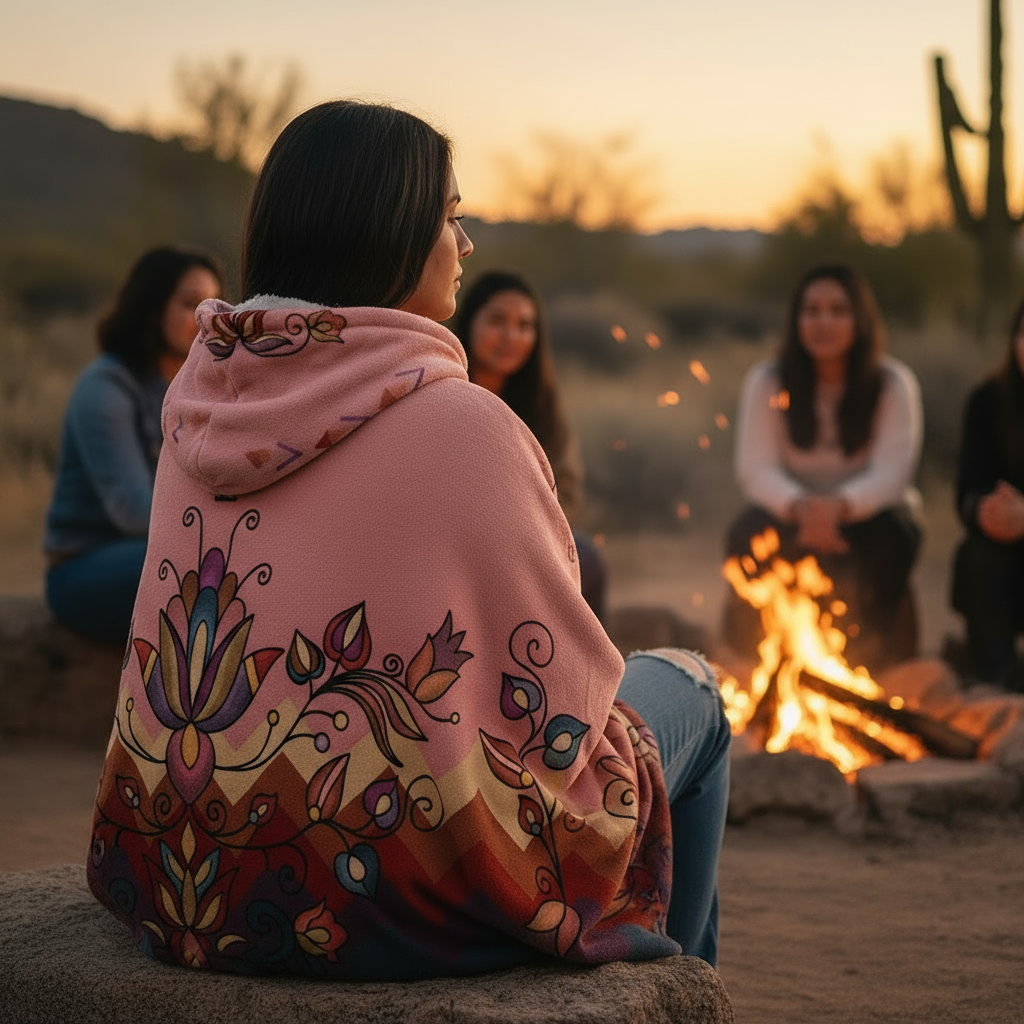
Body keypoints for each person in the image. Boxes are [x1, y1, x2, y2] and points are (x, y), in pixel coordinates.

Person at [85, 100, 730, 981]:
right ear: (390, 231)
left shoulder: (198, 409)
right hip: (384, 889)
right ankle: (679, 986)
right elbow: (561, 697)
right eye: (453, 217)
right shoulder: (466, 424)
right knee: (692, 687)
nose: (467, 245)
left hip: (181, 863)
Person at [726, 263, 923, 664]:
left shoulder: (892, 383)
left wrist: (838, 508)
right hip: (792, 512)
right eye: (811, 310)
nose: (823, 322)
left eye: (838, 310)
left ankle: (870, 657)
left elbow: (892, 473)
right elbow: (755, 467)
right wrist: (802, 507)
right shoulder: (767, 381)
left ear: (860, 319)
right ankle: (756, 656)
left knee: (895, 538)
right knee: (744, 533)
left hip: (868, 514)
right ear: (796, 320)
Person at [44, 247, 222, 644]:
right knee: (212, 567)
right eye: (189, 304)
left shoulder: (194, 390)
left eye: (211, 306)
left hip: (156, 551)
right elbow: (131, 509)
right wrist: (220, 530)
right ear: (153, 308)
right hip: (86, 567)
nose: (204, 321)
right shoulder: (106, 387)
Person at [454, 270, 606, 621]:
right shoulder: (442, 387)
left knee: (589, 561)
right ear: (468, 321)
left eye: (525, 325)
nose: (512, 336)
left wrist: (528, 535)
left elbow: (567, 489)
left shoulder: (542, 404)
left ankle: (585, 673)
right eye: (498, 321)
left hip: (532, 539)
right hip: (458, 536)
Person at [951, 298, 1024, 687]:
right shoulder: (988, 401)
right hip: (1003, 540)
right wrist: (985, 512)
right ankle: (995, 674)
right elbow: (968, 490)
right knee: (979, 554)